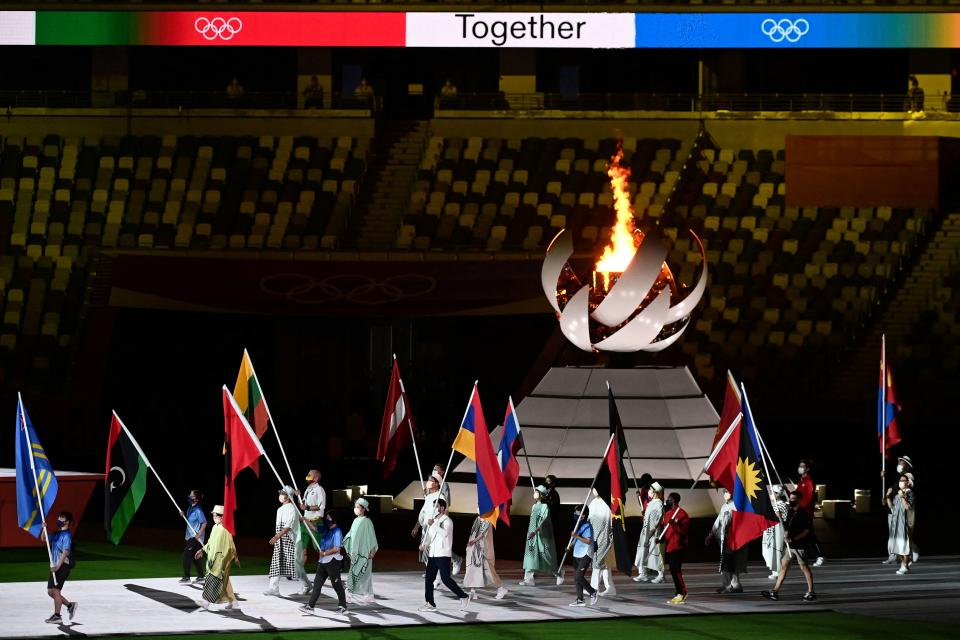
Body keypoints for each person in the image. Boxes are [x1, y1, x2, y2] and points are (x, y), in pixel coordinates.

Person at [761, 490, 817, 602]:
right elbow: (786, 526)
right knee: (783, 567)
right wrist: (779, 517)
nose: (791, 500)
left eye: (793, 499)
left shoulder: (803, 514)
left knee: (804, 567)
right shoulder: (791, 512)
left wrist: (793, 538)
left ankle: (811, 592)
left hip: (799, 545)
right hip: (790, 546)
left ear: (799, 500)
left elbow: (806, 531)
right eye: (790, 498)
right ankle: (775, 591)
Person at [418, 498, 469, 612]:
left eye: (436, 506)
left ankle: (464, 596)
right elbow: (430, 536)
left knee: (446, 579)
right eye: (434, 506)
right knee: (428, 579)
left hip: (443, 554)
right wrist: (424, 545)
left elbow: (445, 534)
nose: (435, 508)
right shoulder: (434, 520)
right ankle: (430, 603)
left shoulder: (447, 521)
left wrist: (434, 525)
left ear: (442, 508)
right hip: (432, 555)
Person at [299, 510, 348, 615]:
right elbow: (314, 528)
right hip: (323, 561)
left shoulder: (337, 531)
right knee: (317, 585)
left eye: (329, 518)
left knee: (337, 585)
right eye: (327, 517)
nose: (327, 519)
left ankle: (343, 606)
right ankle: (310, 606)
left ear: (334, 519)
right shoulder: (326, 529)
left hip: (333, 562)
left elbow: (337, 548)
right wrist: (305, 520)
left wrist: (325, 553)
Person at [198, 505, 239, 611]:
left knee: (212, 580)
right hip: (213, 559)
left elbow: (231, 544)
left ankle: (205, 602)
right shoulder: (215, 527)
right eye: (213, 515)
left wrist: (235, 556)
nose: (213, 517)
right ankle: (233, 602)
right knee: (225, 582)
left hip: (221, 560)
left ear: (221, 516)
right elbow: (210, 542)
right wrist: (202, 550)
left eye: (215, 515)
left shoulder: (225, 529)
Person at [706, 488, 747, 594]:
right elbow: (717, 521)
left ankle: (731, 585)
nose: (725, 494)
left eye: (727, 492)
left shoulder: (736, 506)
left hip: (733, 540)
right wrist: (710, 535)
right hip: (723, 539)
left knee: (730, 563)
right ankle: (732, 585)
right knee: (727, 563)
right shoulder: (724, 506)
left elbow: (739, 524)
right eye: (724, 492)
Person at [264, 486, 302, 596]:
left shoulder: (292, 508)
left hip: (288, 540)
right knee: (277, 563)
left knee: (295, 565)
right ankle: (273, 588)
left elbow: (288, 526)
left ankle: (307, 585)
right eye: (280, 493)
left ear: (288, 497)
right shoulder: (280, 509)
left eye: (282, 493)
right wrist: (278, 537)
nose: (280, 495)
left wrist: (277, 536)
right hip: (280, 539)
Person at [42, 511, 77, 624]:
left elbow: (65, 552)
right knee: (50, 592)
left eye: (61, 518)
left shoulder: (67, 535)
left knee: (56, 591)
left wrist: (58, 567)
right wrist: (44, 528)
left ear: (67, 521)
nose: (59, 519)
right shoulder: (57, 533)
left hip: (62, 566)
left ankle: (57, 616)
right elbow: (44, 539)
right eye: (59, 517)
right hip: (55, 566)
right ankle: (70, 605)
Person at [463, 512, 508, 600]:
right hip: (475, 549)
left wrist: (474, 541)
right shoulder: (477, 519)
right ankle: (473, 591)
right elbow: (473, 532)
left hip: (483, 549)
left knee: (488, 571)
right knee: (473, 570)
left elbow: (483, 533)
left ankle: (500, 588)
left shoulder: (488, 519)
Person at [343, 497, 378, 605]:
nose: (356, 509)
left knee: (362, 574)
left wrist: (372, 551)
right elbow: (351, 535)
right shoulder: (355, 520)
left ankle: (349, 594)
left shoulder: (367, 522)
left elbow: (372, 536)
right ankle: (369, 595)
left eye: (358, 507)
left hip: (365, 553)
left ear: (363, 509)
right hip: (356, 553)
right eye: (355, 507)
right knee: (359, 573)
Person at [520, 484, 557, 586]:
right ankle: (528, 579)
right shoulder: (534, 506)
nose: (535, 493)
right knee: (530, 556)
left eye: (537, 492)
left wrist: (535, 532)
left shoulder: (545, 507)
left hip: (539, 534)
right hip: (531, 534)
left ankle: (557, 572)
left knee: (545, 555)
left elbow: (543, 522)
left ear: (541, 495)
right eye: (535, 491)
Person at [884, 456, 917, 564]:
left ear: (907, 465)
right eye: (899, 462)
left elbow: (907, 490)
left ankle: (907, 557)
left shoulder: (908, 476)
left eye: (902, 463)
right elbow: (895, 490)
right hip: (894, 508)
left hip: (903, 510)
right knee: (894, 534)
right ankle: (896, 556)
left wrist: (902, 495)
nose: (899, 464)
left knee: (903, 535)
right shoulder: (898, 477)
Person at [297, 469, 325, 591]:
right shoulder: (308, 489)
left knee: (320, 548)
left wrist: (307, 507)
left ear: (316, 478)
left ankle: (324, 572)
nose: (308, 476)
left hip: (316, 521)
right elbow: (303, 505)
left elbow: (320, 506)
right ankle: (301, 576)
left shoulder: (320, 490)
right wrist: (298, 496)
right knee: (302, 548)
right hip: (305, 522)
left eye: (310, 475)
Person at [795, 459, 824, 566]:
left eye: (802, 466)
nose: (800, 468)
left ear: (807, 468)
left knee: (810, 534)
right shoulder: (801, 481)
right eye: (800, 465)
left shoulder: (809, 481)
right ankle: (808, 555)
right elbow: (797, 496)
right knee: (805, 535)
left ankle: (820, 555)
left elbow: (809, 498)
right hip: (800, 513)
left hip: (806, 513)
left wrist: (799, 507)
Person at [568, 504, 598, 607]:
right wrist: (569, 546)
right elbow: (576, 540)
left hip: (586, 554)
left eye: (577, 513)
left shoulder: (587, 526)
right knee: (576, 578)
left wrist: (576, 535)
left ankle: (593, 592)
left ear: (583, 515)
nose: (574, 514)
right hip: (577, 553)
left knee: (578, 576)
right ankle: (580, 599)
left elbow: (588, 541)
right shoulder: (578, 526)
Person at [662, 492, 690, 604]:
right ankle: (678, 592)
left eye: (669, 499)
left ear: (673, 500)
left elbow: (684, 531)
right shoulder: (668, 514)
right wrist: (661, 539)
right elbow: (665, 530)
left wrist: (675, 524)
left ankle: (682, 592)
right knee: (673, 570)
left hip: (678, 545)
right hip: (670, 545)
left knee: (676, 569)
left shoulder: (682, 514)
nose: (667, 501)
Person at [634, 481, 664, 583]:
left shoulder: (659, 503)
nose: (649, 492)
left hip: (653, 531)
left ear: (655, 492)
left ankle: (661, 575)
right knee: (643, 551)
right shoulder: (650, 503)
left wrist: (655, 527)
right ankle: (643, 573)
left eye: (650, 490)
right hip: (645, 530)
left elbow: (660, 516)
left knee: (655, 552)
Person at [587, 489, 616, 596]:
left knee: (598, 562)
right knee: (602, 563)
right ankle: (610, 588)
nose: (593, 490)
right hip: (594, 536)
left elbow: (611, 521)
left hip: (604, 536)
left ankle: (593, 588)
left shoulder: (607, 503)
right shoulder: (593, 503)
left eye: (595, 488)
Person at [886, 474, 915, 575]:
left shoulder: (909, 493)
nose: (901, 482)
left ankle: (905, 566)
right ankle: (905, 563)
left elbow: (907, 507)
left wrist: (902, 496)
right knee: (896, 546)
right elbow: (893, 508)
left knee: (904, 545)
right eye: (900, 480)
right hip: (896, 523)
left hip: (905, 522)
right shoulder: (897, 494)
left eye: (903, 480)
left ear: (908, 482)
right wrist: (888, 497)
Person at [179, 489, 207, 584]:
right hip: (190, 536)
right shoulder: (190, 508)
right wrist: (183, 515)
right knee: (196, 557)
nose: (189, 497)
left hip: (195, 537)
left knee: (186, 555)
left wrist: (198, 534)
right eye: (189, 495)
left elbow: (204, 523)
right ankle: (201, 576)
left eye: (192, 496)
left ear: (196, 499)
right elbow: (190, 521)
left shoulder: (198, 510)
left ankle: (186, 577)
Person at [763, 485, 789, 580]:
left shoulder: (783, 504)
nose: (772, 494)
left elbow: (785, 518)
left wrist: (779, 516)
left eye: (774, 492)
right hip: (769, 530)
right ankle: (774, 570)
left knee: (776, 550)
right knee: (767, 550)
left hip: (778, 530)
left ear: (778, 494)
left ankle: (777, 572)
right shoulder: (772, 503)